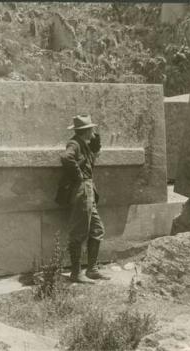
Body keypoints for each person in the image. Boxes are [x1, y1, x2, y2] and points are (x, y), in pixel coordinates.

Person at [60, 114, 110, 284]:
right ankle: (76, 273)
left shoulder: (84, 144)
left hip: (88, 190)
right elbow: (66, 157)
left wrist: (94, 136)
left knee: (97, 230)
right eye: (91, 130)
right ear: (85, 131)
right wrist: (79, 175)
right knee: (79, 232)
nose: (93, 132)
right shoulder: (75, 143)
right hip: (82, 190)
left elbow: (96, 147)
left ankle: (92, 269)